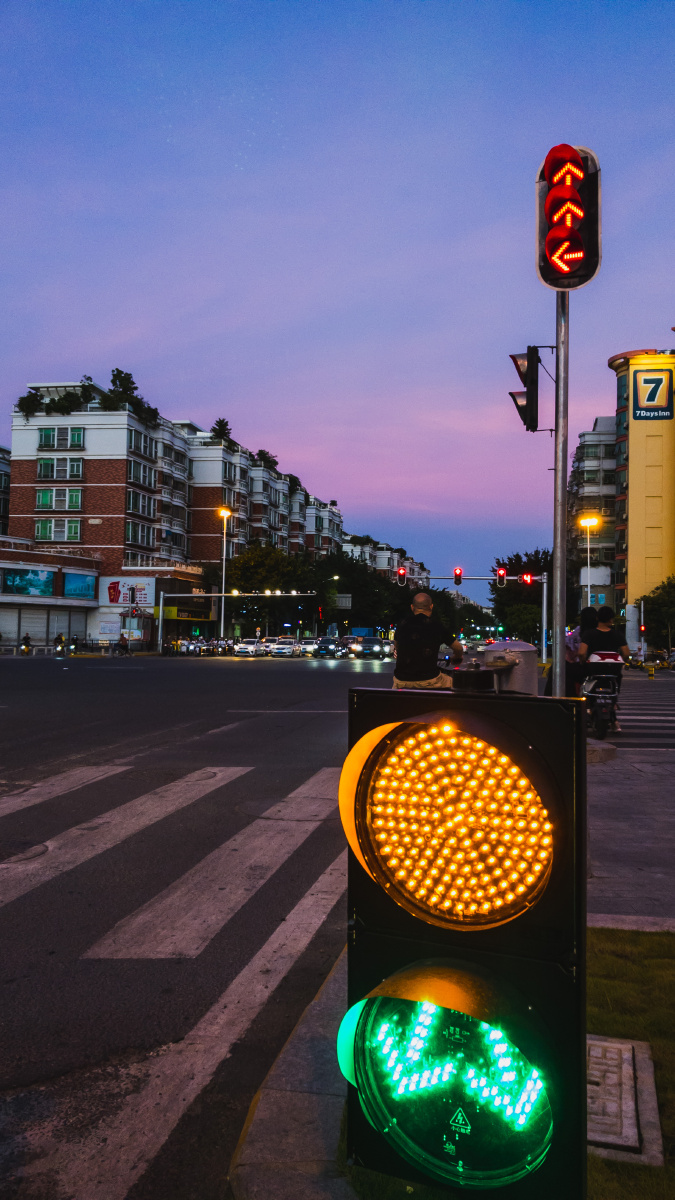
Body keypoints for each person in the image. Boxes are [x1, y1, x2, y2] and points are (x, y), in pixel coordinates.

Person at [392, 592, 463, 690]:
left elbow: (397, 647)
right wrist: (456, 657)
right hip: (429, 680)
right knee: (455, 683)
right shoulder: (436, 625)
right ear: (431, 606)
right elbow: (458, 648)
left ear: (412, 607)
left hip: (401, 681)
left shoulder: (401, 624)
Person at [579, 606, 630, 730]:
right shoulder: (618, 635)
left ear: (597, 618)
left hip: (593, 670)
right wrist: (624, 661)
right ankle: (614, 707)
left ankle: (588, 708)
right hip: (613, 670)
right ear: (611, 620)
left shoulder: (589, 634)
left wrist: (583, 662)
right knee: (615, 685)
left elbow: (581, 653)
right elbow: (626, 653)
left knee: (586, 687)